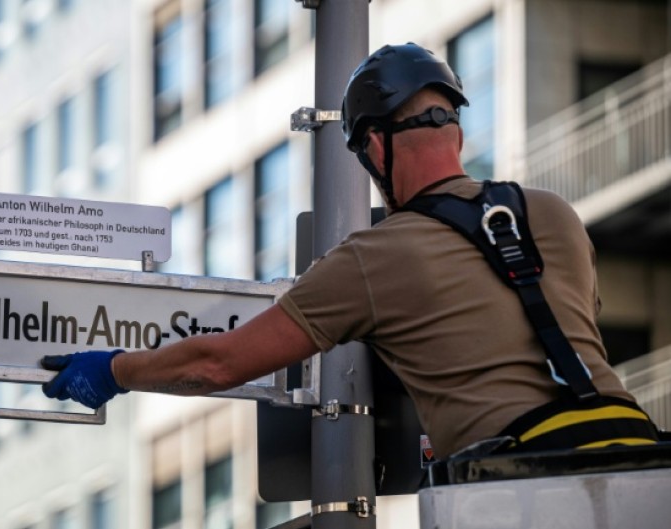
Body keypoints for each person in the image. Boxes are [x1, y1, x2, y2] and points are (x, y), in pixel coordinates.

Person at [41, 43, 659, 460]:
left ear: (375, 147)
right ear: (457, 131)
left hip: (518, 483)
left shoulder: (374, 257)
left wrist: (115, 369)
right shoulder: (553, 212)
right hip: (635, 452)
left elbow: (217, 364)